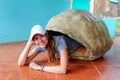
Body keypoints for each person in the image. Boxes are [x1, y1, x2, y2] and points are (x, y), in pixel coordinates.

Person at [18, 25, 82, 74]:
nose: (40, 41)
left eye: (42, 36)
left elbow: (63, 69)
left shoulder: (60, 42)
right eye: (36, 39)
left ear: (47, 35)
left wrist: (39, 67)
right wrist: (28, 45)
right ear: (33, 41)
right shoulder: (40, 46)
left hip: (78, 42)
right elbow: (21, 63)